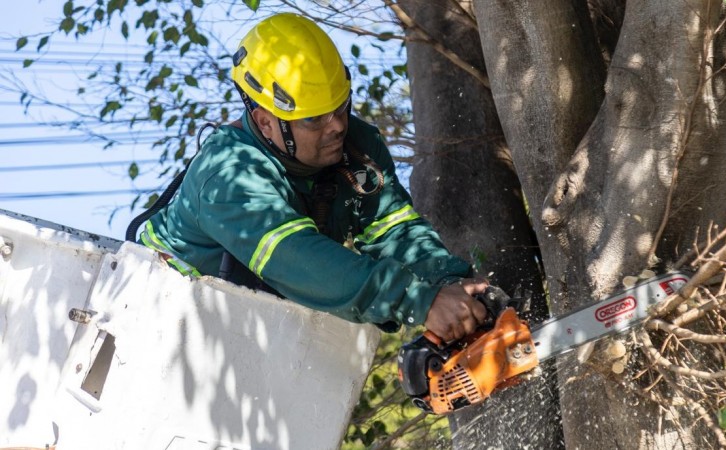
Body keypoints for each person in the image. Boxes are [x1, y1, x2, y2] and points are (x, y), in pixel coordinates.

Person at [137, 12, 486, 342]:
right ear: (264, 122)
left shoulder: (358, 148)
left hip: (261, 319)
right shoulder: (228, 174)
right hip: (166, 317)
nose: (336, 126)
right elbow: (297, 257)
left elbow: (395, 230)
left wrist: (448, 284)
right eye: (313, 119)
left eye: (340, 107)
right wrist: (418, 301)